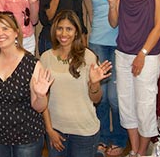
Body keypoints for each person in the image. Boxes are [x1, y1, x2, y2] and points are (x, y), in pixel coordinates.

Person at [101, 0, 160, 157]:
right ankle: (135, 150)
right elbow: (114, 22)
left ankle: (141, 152)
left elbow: (159, 26)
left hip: (147, 56)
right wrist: (112, 2)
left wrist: (142, 54)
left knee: (145, 105)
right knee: (126, 105)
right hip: (122, 54)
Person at [0, 11, 52, 157]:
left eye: (5, 28)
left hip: (26, 138)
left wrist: (41, 95)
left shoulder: (32, 64)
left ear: (16, 32)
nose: (0, 33)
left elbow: (39, 107)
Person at [41, 10, 112, 157]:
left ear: (76, 32)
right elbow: (43, 100)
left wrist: (94, 84)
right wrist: (49, 130)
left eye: (69, 29)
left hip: (84, 132)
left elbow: (96, 99)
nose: (63, 34)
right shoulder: (46, 57)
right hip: (56, 131)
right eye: (60, 28)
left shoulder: (89, 57)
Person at [81, 0, 128, 156]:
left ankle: (119, 138)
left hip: (121, 43)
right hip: (98, 42)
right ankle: (100, 138)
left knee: (116, 97)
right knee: (99, 95)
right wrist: (87, 45)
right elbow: (89, 14)